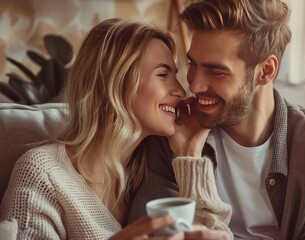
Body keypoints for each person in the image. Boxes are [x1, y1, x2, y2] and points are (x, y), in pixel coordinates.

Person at [128, 0, 305, 239]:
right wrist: (188, 159)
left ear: (266, 71)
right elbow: (149, 233)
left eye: (216, 71)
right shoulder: (172, 134)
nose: (193, 85)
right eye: (192, 64)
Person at [0, 18, 229, 240]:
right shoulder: (43, 175)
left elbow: (215, 236)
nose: (181, 91)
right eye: (163, 75)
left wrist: (189, 153)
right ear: (115, 84)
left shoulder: (154, 166)